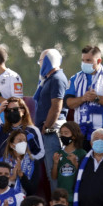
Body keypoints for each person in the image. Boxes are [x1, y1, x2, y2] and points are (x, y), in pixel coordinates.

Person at [64, 45, 103, 156]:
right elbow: (67, 103)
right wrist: (82, 98)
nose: (84, 63)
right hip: (81, 132)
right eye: (83, 60)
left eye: (88, 60)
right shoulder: (75, 78)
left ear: (99, 60)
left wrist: (97, 98)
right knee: (80, 166)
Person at [33, 48, 69, 190]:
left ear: (48, 61)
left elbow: (56, 107)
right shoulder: (49, 79)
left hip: (52, 131)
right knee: (50, 171)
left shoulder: (57, 78)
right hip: (48, 130)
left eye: (41, 61)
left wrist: (46, 126)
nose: (40, 64)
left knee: (54, 172)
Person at [51, 121, 86, 203]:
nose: (63, 136)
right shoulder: (59, 153)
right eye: (61, 133)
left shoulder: (82, 153)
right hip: (61, 197)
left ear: (74, 136)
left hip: (76, 195)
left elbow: (85, 176)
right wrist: (55, 163)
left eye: (66, 133)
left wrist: (75, 164)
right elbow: (54, 177)